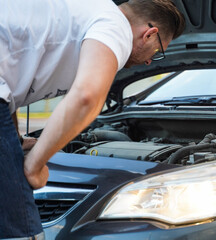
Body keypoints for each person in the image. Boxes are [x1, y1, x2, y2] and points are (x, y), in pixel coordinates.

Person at [0, 0, 185, 238]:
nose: (150, 61)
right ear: (149, 34)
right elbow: (87, 96)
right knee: (21, 232)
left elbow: (7, 86)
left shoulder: (87, 12)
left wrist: (14, 140)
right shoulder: (115, 25)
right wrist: (35, 165)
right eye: (158, 52)